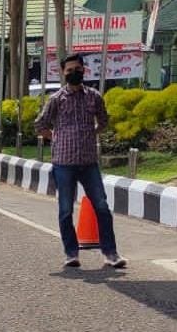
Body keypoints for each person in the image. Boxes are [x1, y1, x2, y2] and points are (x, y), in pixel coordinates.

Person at [34, 53, 128, 270]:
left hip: (89, 163)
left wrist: (92, 132)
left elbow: (103, 120)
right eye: (69, 70)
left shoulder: (94, 97)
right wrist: (55, 137)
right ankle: (71, 253)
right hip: (63, 163)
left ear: (84, 70)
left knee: (102, 207)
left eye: (77, 69)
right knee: (66, 210)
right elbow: (39, 124)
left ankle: (111, 253)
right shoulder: (56, 99)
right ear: (63, 73)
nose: (73, 73)